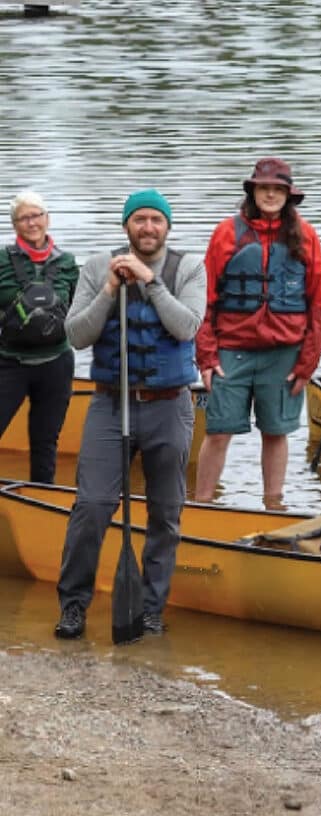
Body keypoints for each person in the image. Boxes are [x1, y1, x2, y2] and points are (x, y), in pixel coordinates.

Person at [54, 189, 206, 639]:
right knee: (93, 506)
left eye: (156, 221)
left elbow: (187, 327)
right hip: (109, 404)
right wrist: (108, 291)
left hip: (169, 405)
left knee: (165, 512)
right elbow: (76, 336)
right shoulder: (100, 266)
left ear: (167, 227)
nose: (147, 228)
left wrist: (150, 281)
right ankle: (74, 605)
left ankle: (151, 608)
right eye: (139, 220)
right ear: (126, 226)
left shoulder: (189, 268)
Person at [194, 158, 321, 507]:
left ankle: (273, 505)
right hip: (231, 351)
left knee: (276, 432)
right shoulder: (226, 233)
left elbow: (318, 305)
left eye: (277, 189)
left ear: (288, 195)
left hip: (284, 354)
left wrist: (307, 364)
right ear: (253, 191)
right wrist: (206, 357)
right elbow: (204, 300)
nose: (270, 194)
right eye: (264, 187)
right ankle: (202, 503)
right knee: (218, 430)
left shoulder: (307, 237)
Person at [0, 191, 79, 483]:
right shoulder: (2, 259)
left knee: (46, 442)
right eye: (24, 217)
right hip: (9, 362)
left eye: (37, 215)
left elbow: (79, 308)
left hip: (56, 363)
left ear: (47, 219)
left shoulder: (68, 263)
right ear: (15, 225)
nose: (32, 223)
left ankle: (38, 501)